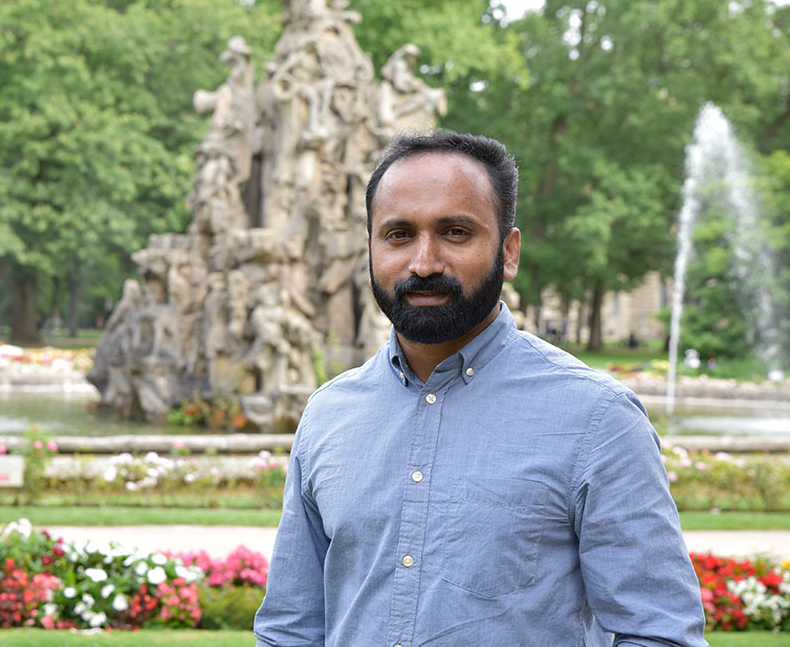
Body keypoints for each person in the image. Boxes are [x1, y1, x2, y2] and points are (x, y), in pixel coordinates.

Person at [254, 130, 706, 646]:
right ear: (371, 249)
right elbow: (290, 629)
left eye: (455, 232)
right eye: (399, 234)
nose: (423, 262)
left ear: (508, 252)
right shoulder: (329, 415)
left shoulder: (597, 419)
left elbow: (659, 634)